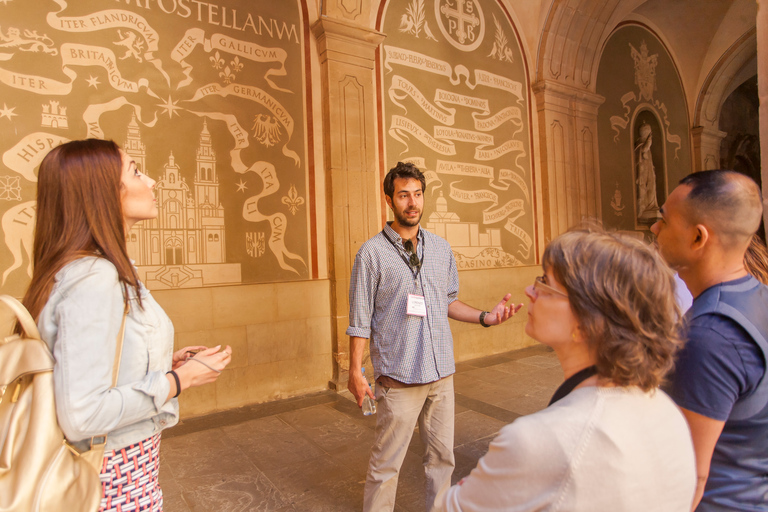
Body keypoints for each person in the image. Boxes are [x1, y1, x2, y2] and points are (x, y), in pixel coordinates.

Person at [22, 139, 232, 512]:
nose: (151, 182)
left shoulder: (87, 267)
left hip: (125, 467)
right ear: (100, 192)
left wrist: (164, 365)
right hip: (110, 477)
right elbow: (83, 413)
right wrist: (180, 381)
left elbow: (91, 365)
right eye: (135, 171)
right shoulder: (93, 276)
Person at [436, 229, 697, 512]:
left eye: (546, 284)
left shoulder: (536, 441)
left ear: (586, 321)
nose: (530, 290)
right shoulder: (667, 411)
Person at [346, 162, 522, 512]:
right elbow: (360, 320)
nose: (412, 202)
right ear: (389, 200)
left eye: (417, 194)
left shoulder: (440, 248)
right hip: (400, 377)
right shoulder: (371, 254)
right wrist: (355, 371)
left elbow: (448, 301)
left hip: (441, 373)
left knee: (442, 461)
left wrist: (486, 317)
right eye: (403, 195)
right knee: (386, 466)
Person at [651, 170, 768, 511]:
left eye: (664, 219)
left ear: (698, 238)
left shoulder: (710, 337)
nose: (655, 229)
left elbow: (688, 476)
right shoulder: (756, 297)